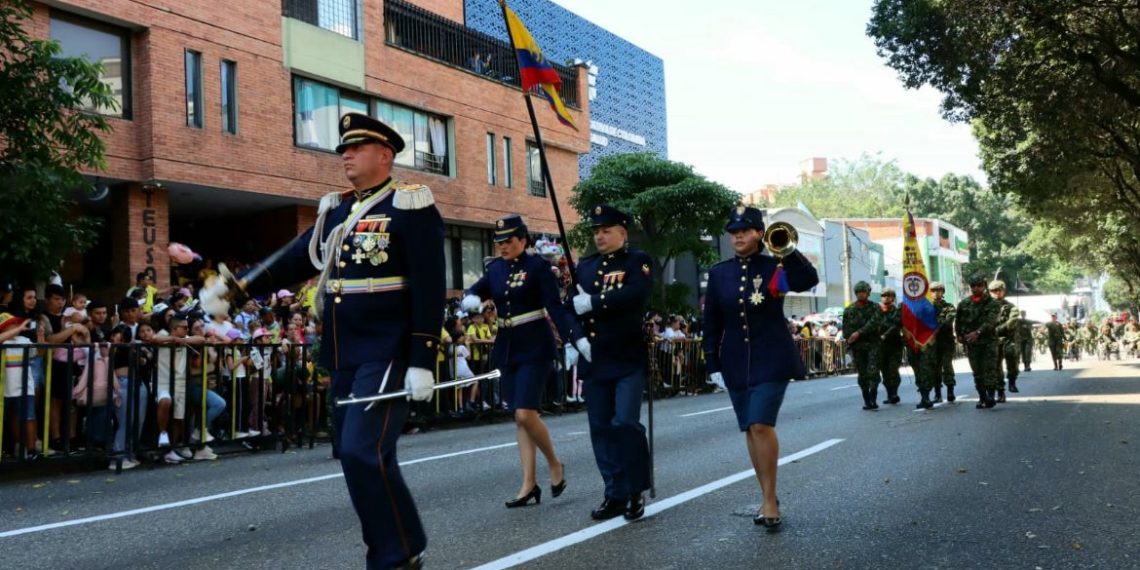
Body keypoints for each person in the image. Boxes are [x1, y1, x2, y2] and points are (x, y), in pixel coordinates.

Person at [202, 112, 444, 570]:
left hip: (388, 348)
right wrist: (236, 291)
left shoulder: (411, 205)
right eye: (343, 150)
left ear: (385, 154)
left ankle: (395, 555)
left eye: (356, 148)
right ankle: (399, 545)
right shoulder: (335, 209)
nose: (346, 156)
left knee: (361, 450)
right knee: (361, 457)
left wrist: (422, 357)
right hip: (345, 351)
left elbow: (430, 285)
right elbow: (295, 260)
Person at [703, 205, 819, 530]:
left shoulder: (776, 265)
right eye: (733, 232)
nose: (738, 236)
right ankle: (767, 493)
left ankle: (769, 501)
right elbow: (710, 321)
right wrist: (712, 361)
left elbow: (809, 279)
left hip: (772, 355)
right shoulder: (719, 273)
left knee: (760, 425)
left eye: (745, 230)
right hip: (736, 360)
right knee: (749, 430)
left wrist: (786, 249)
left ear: (758, 233)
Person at [461, 213, 578, 509]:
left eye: (508, 240)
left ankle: (554, 464)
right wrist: (471, 297)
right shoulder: (496, 269)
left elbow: (555, 306)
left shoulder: (539, 267)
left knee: (526, 413)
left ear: (523, 240)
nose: (502, 245)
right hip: (508, 347)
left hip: (535, 345)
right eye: (498, 241)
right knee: (519, 417)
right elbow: (479, 288)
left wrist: (574, 339)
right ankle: (528, 484)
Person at [568, 204, 653, 521]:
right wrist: (577, 338)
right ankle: (614, 493)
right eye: (596, 231)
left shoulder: (637, 261)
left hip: (627, 357)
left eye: (606, 230)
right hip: (594, 359)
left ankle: (635, 490)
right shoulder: (585, 267)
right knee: (601, 429)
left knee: (625, 424)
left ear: (622, 232)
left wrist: (593, 301)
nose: (600, 236)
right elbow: (568, 309)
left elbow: (637, 292)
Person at [955, 273, 1002, 409]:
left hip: (989, 341)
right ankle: (982, 397)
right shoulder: (964, 304)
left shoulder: (992, 303)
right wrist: (959, 335)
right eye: (973, 286)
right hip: (972, 343)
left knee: (990, 369)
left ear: (984, 287)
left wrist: (978, 332)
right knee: (977, 371)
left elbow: (991, 321)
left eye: (979, 286)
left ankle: (991, 396)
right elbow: (958, 321)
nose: (976, 289)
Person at [842, 281, 882, 410]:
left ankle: (873, 397)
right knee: (862, 374)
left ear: (868, 293)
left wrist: (859, 333)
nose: (861, 295)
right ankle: (866, 400)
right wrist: (849, 339)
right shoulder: (849, 310)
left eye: (863, 292)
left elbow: (874, 323)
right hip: (858, 347)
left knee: (873, 371)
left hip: (873, 345)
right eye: (858, 292)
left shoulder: (875, 307)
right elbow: (845, 329)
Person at [990, 280, 1020, 401]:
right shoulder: (986, 307)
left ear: (1004, 291)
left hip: (1008, 339)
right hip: (994, 341)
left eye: (999, 290)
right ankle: (1000, 391)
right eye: (994, 291)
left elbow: (1012, 322)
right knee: (996, 367)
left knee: (1012, 361)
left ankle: (1012, 381)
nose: (997, 293)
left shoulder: (1011, 307)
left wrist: (998, 329)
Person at [929, 282, 957, 403]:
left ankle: (950, 391)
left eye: (939, 290)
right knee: (935, 368)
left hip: (946, 342)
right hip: (932, 343)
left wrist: (934, 327)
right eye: (933, 290)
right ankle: (937, 393)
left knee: (947, 366)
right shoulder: (926, 307)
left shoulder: (949, 307)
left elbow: (948, 320)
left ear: (943, 292)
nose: (936, 292)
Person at [877, 288, 904, 405]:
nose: (886, 297)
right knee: (885, 372)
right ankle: (889, 394)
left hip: (894, 345)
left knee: (893, 370)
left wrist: (884, 335)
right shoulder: (877, 311)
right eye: (883, 295)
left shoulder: (896, 310)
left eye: (889, 295)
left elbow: (896, 325)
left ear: (893, 298)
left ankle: (894, 393)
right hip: (881, 346)